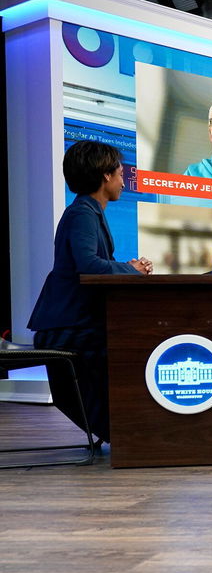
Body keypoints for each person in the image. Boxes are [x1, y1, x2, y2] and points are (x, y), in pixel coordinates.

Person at [28, 140, 153, 444]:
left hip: (74, 324)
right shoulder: (83, 213)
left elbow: (95, 264)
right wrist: (131, 270)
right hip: (67, 329)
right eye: (121, 174)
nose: (124, 181)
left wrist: (125, 267)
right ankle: (129, 432)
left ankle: (124, 430)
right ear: (105, 176)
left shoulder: (88, 211)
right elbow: (90, 266)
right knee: (132, 345)